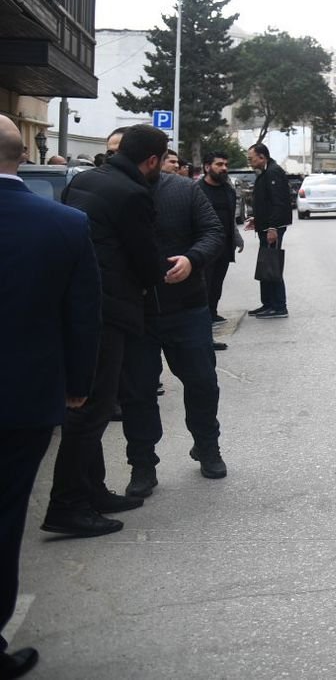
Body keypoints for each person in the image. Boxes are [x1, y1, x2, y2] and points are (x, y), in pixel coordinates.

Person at [0, 116, 100, 680]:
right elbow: (83, 314)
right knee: (5, 514)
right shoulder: (63, 223)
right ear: (22, 155)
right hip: (23, 398)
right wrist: (79, 385)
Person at [43, 124, 169, 538]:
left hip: (77, 306)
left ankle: (91, 490)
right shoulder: (133, 193)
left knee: (88, 406)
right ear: (152, 160)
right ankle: (67, 504)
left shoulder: (84, 180)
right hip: (109, 311)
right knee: (91, 411)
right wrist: (162, 272)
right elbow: (146, 260)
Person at [123, 156, 228, 495]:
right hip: (135, 310)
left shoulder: (184, 190)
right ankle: (142, 464)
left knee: (202, 382)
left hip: (186, 307)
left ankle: (207, 446)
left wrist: (192, 258)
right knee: (138, 391)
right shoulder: (111, 189)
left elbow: (214, 232)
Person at [244, 143, 292, 319]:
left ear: (262, 157)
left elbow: (279, 203)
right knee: (265, 264)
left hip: (273, 228)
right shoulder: (265, 172)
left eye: (251, 158)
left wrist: (272, 227)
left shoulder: (273, 172)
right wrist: (258, 219)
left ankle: (279, 306)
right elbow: (265, 202)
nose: (249, 162)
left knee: (272, 265)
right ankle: (268, 303)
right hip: (265, 226)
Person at [197, 152, 244, 323]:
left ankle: (213, 311)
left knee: (217, 282)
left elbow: (231, 218)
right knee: (205, 283)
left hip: (224, 245)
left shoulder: (228, 190)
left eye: (225, 165)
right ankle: (203, 315)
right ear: (207, 167)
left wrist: (237, 238)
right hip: (204, 245)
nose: (224, 168)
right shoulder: (197, 190)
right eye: (219, 164)